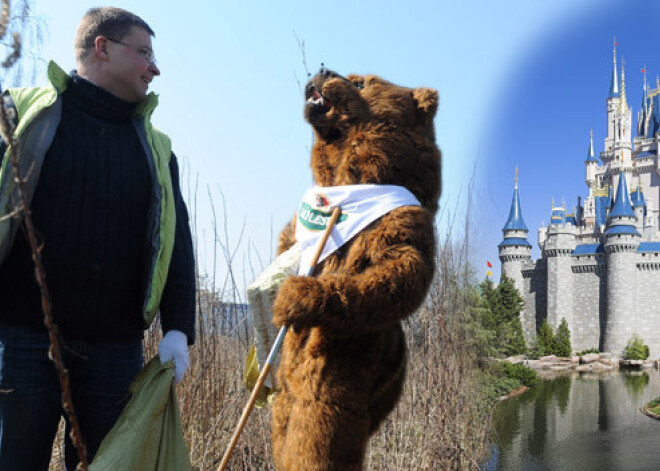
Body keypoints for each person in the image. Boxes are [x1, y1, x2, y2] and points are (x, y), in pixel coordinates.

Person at [0, 7, 196, 470]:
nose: (155, 67)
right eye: (144, 52)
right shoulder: (20, 114)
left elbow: (177, 245)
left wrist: (178, 329)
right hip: (23, 338)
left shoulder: (156, 149)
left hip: (114, 352)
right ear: (102, 48)